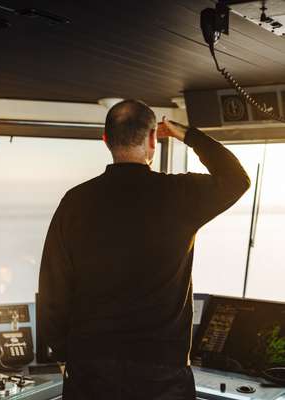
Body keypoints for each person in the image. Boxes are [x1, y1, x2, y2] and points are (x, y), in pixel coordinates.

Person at [38, 99, 251, 400]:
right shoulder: (180, 195)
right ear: (153, 139)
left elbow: (52, 288)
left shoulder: (74, 202)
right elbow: (236, 179)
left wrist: (65, 354)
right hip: (161, 373)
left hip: (91, 369)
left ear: (106, 140)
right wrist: (187, 135)